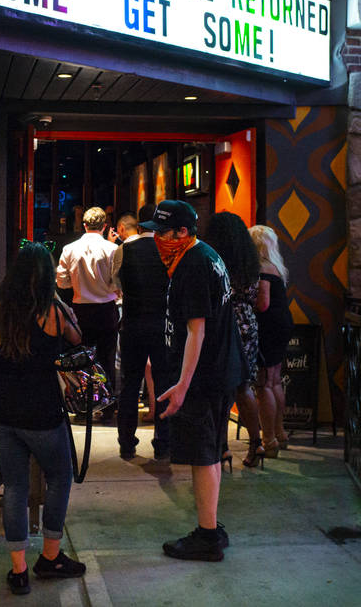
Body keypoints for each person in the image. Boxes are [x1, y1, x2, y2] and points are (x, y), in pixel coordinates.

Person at [0, 243, 88, 595]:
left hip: (0, 412)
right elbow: (77, 338)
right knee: (59, 476)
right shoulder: (52, 311)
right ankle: (50, 556)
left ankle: (18, 571)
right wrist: (63, 306)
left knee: (14, 486)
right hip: (41, 414)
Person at [142, 200, 232, 562]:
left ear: (183, 232)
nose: (157, 239)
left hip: (203, 378)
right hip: (219, 371)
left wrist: (182, 384)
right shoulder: (207, 255)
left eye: (163, 233)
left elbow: (197, 330)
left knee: (202, 456)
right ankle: (211, 527)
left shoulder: (193, 265)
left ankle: (208, 536)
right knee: (208, 454)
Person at [111, 204, 171, 460]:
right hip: (162, 326)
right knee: (164, 384)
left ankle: (126, 442)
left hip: (133, 324)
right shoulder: (169, 250)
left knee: (130, 384)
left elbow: (115, 283)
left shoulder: (125, 249)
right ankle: (163, 443)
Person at [206, 212, 263, 468]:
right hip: (247, 322)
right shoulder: (251, 261)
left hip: (222, 322)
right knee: (244, 386)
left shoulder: (212, 260)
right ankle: (256, 443)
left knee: (219, 387)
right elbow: (254, 296)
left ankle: (223, 448)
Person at [55, 206, 120, 419]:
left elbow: (61, 282)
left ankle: (84, 407)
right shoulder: (112, 250)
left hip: (81, 310)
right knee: (107, 358)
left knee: (82, 360)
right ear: (104, 226)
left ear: (84, 225)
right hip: (106, 309)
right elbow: (117, 284)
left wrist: (78, 284)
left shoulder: (70, 249)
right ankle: (108, 407)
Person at [250, 224, 293, 458]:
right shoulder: (276, 266)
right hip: (282, 324)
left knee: (264, 383)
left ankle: (269, 439)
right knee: (275, 381)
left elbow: (263, 304)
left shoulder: (262, 268)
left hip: (268, 328)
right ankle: (280, 433)